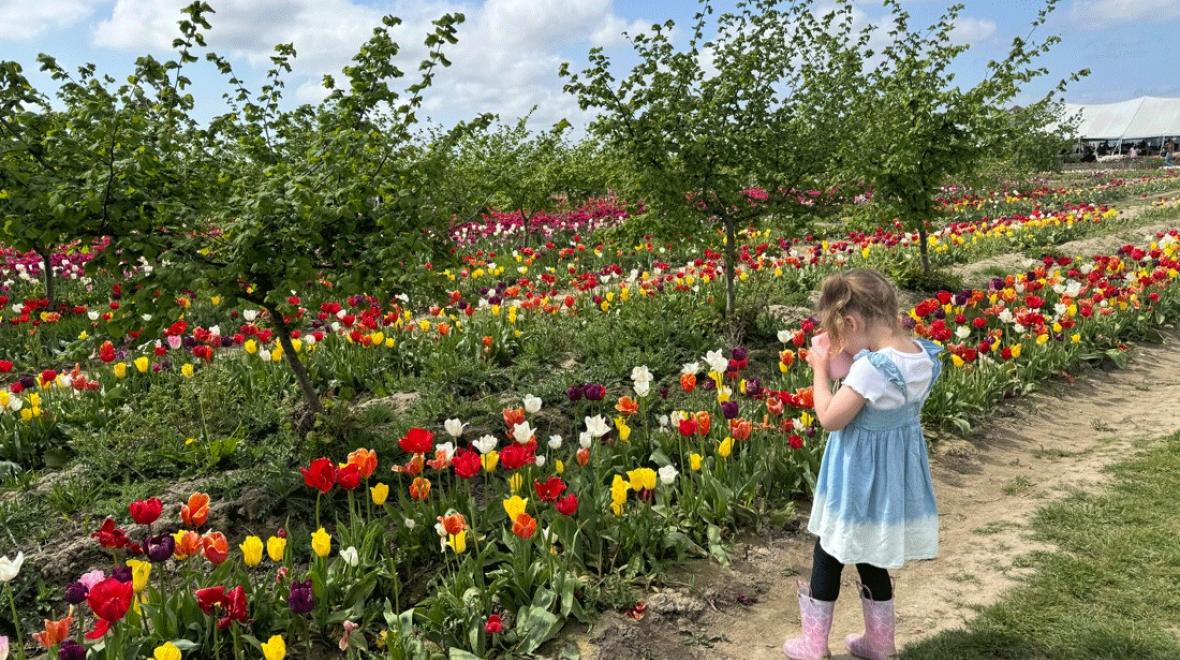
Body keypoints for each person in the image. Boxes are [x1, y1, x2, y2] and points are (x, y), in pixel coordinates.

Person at [782, 269, 943, 660]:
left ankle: (814, 644)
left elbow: (831, 418)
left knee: (829, 550)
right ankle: (880, 644)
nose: (839, 343)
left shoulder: (870, 369)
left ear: (852, 322)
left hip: (856, 477)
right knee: (873, 555)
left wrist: (821, 369)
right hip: (891, 480)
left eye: (839, 333)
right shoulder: (922, 355)